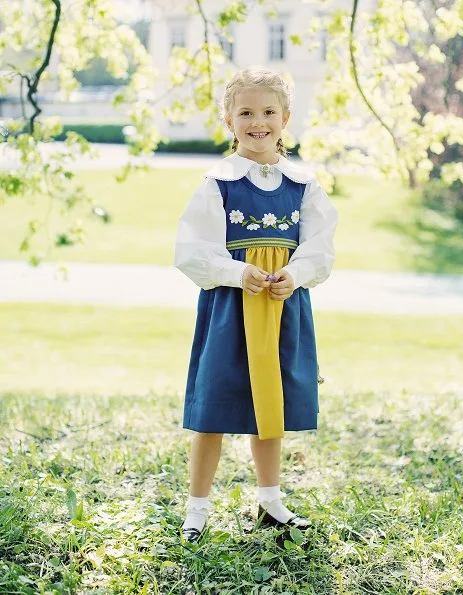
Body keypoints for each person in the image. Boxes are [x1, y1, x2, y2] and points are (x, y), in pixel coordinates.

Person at [174, 67, 338, 543]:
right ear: (229, 120)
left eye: (268, 112)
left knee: (272, 404)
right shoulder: (217, 183)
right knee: (215, 402)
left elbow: (320, 247)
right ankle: (197, 507)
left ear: (285, 118)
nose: (258, 121)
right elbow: (192, 250)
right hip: (231, 308)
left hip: (282, 305)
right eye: (246, 112)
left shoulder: (303, 184)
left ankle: (271, 500)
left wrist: (296, 274)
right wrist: (235, 272)